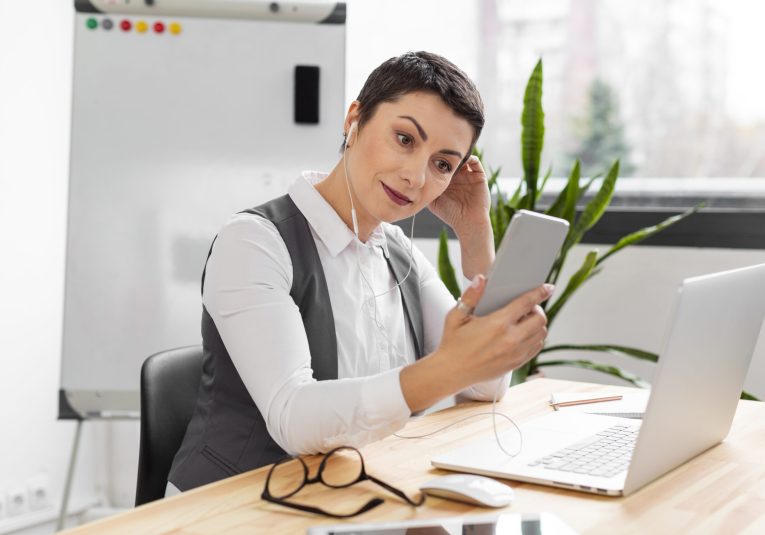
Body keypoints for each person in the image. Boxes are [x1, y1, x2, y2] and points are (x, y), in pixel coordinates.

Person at [166, 51, 553, 495]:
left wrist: (476, 236)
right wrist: (442, 371)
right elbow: (293, 418)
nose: (416, 176)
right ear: (354, 119)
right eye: (405, 139)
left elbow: (485, 384)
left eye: (442, 164)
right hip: (236, 506)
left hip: (347, 495)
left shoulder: (398, 254)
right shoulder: (253, 242)